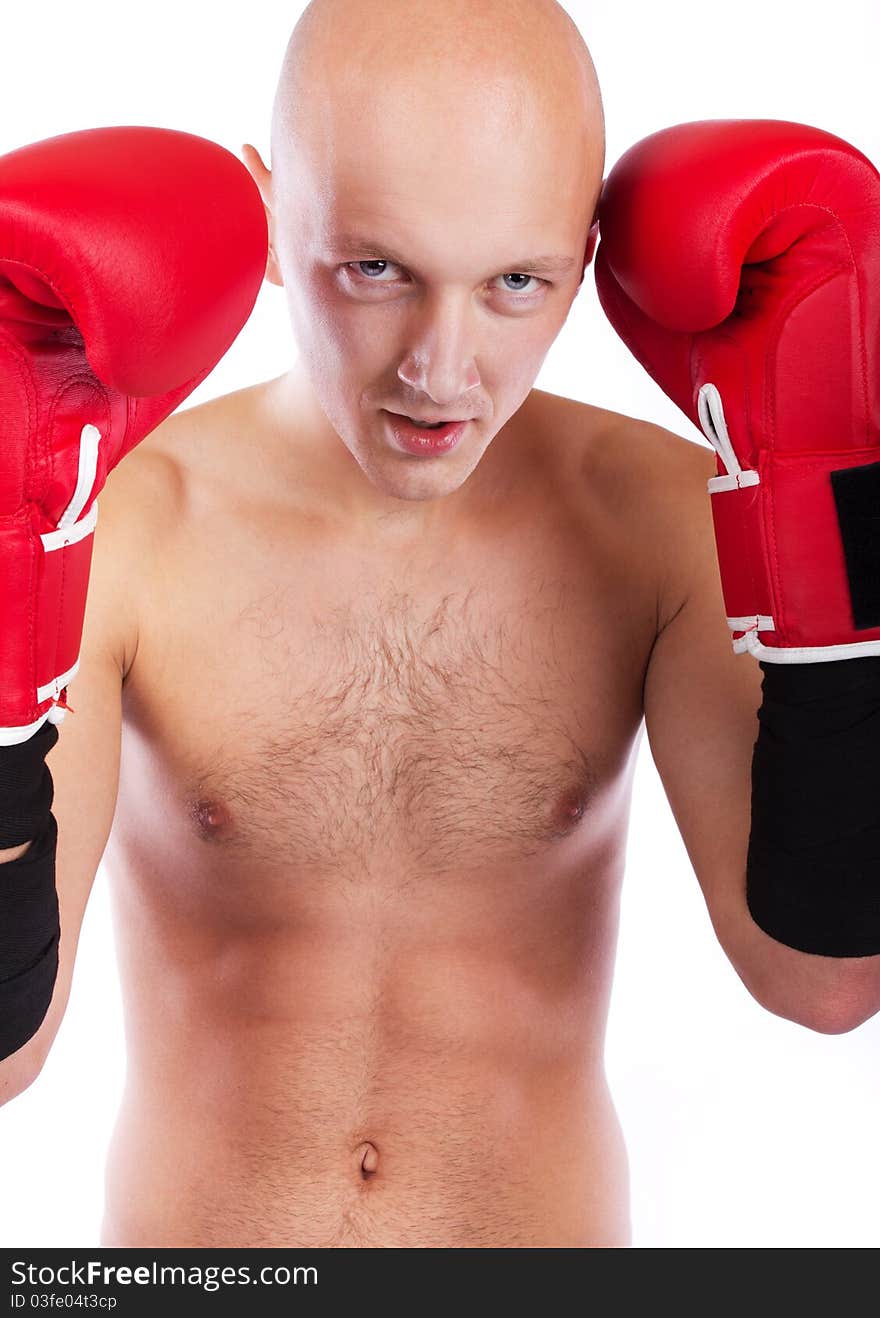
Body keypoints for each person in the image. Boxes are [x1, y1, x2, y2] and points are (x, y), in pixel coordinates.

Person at [1, 0, 877, 1249]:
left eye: (516, 283)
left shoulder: (668, 519)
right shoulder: (120, 527)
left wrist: (834, 502)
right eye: (376, 269)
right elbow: (5, 1058)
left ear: (586, 253)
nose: (440, 369)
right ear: (265, 215)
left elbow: (826, 980)